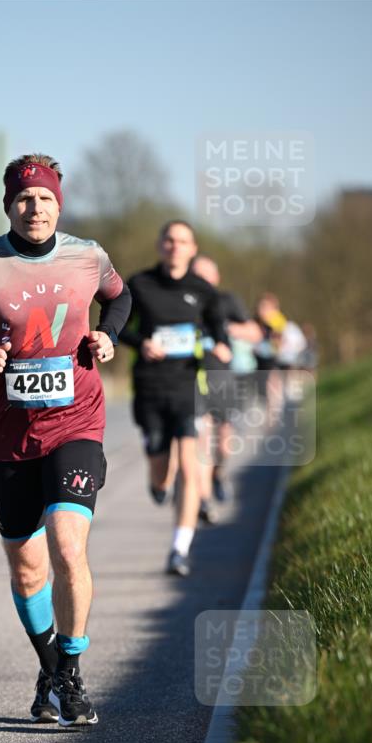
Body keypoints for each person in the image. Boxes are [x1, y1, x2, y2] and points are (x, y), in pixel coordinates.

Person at [0, 154, 131, 726]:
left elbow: (120, 298)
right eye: (23, 198)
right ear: (8, 206)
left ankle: (72, 672)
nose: (34, 207)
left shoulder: (88, 256)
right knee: (26, 570)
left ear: (58, 205)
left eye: (44, 198)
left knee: (68, 546)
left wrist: (108, 335)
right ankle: (51, 670)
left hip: (77, 423)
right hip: (10, 438)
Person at [121, 221, 231, 576]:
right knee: (160, 467)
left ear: (192, 248)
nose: (175, 246)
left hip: (187, 385)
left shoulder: (203, 290)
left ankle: (179, 549)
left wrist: (222, 345)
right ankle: (158, 480)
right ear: (160, 245)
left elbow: (218, 327)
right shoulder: (140, 284)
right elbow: (118, 327)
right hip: (150, 386)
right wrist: (142, 344)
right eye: (169, 240)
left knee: (189, 465)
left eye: (182, 241)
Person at [191, 255, 261, 508]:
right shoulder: (184, 302)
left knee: (223, 440)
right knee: (201, 435)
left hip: (222, 375)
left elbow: (255, 333)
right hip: (194, 375)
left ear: (216, 277)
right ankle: (203, 498)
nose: (201, 279)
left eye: (206, 275)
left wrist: (227, 329)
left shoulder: (227, 301)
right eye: (196, 274)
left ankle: (218, 474)